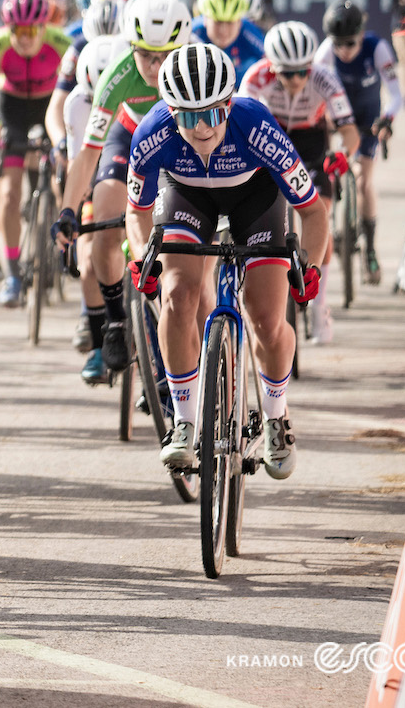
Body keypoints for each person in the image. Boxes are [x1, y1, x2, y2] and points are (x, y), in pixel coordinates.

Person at [127, 43, 326, 482]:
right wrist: (142, 256)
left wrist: (310, 267)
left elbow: (313, 211)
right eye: (188, 116)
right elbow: (137, 213)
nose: (201, 129)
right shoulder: (151, 132)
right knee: (178, 295)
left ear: (229, 105)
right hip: (187, 195)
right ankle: (185, 421)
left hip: (255, 199)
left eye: (213, 114)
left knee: (266, 318)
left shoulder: (255, 124)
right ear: (170, 111)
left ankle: (276, 416)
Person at [57, 0, 193, 382]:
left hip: (183, 140)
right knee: (104, 220)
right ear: (130, 46)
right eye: (145, 55)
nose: (154, 66)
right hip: (130, 134)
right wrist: (68, 210)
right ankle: (115, 320)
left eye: (165, 55)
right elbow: (86, 155)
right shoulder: (118, 76)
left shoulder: (196, 64)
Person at [241, 20, 359, 344]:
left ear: (310, 66)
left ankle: (320, 304)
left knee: (319, 213)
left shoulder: (324, 77)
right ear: (271, 66)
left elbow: (349, 130)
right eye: (286, 72)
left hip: (310, 142)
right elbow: (239, 124)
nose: (295, 80)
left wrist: (344, 154)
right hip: (272, 137)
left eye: (301, 72)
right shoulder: (256, 77)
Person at [48, 0, 128, 383]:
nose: (104, 105)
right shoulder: (76, 104)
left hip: (137, 168)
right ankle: (100, 344)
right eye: (96, 97)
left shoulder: (139, 91)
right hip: (100, 171)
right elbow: (84, 163)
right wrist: (71, 214)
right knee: (89, 257)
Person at [0, 0, 71, 306]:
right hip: (12, 109)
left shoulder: (62, 44)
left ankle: (60, 244)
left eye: (32, 29)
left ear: (44, 27)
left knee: (60, 183)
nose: (25, 37)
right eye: (17, 30)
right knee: (8, 193)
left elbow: (76, 92)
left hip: (49, 106)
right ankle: (13, 273)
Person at [315, 0, 401, 283]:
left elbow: (395, 93)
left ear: (361, 35)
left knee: (364, 181)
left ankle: (371, 248)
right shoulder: (326, 51)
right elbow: (314, 91)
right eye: (338, 44)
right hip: (337, 116)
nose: (343, 50)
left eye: (350, 44)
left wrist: (387, 119)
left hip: (367, 118)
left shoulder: (377, 48)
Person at [191, 0, 266, 79]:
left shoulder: (248, 32)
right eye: (217, 22)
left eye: (230, 22)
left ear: (240, 22)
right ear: (205, 19)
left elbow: (271, 62)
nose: (223, 30)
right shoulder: (193, 32)